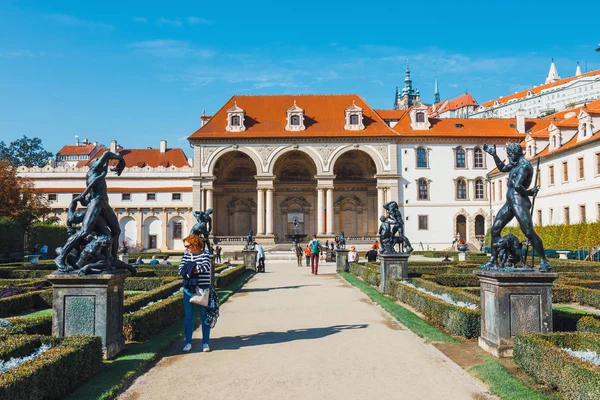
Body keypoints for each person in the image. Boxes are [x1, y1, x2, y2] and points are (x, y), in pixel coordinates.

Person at [482, 143, 550, 271]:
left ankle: (544, 260)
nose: (509, 158)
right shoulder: (516, 164)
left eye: (509, 155)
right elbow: (502, 168)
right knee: (495, 229)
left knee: (529, 231)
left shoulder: (524, 166)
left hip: (519, 201)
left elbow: (518, 185)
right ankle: (492, 260)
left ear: (515, 154)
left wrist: (529, 193)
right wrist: (494, 155)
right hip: (510, 201)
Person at [179, 234, 218, 353]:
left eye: (188, 246)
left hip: (202, 290)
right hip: (189, 290)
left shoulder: (205, 254)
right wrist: (192, 269)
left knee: (204, 317)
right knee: (188, 317)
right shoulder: (186, 255)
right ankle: (188, 343)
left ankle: (205, 342)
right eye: (185, 246)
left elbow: (205, 267)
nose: (186, 248)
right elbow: (181, 270)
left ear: (195, 244)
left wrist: (190, 269)